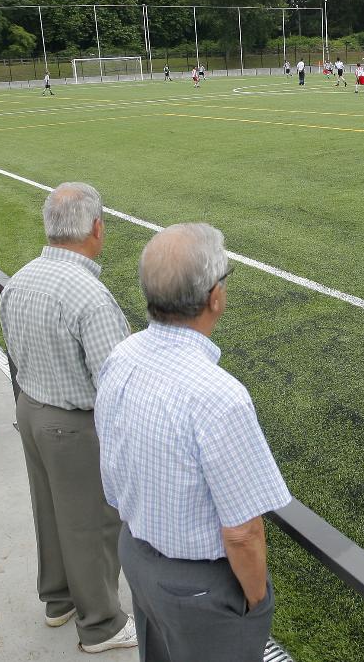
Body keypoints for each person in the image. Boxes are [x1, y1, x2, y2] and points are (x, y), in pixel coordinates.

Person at [94, 223, 291, 662]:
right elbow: (243, 531)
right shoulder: (218, 395)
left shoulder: (123, 355)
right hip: (196, 587)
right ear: (213, 297)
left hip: (138, 553)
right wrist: (256, 603)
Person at [0, 183, 138, 655]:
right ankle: (101, 623)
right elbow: (115, 383)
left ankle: (58, 600)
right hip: (73, 426)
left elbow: (14, 353)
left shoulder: (22, 277)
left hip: (32, 409)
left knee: (50, 512)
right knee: (92, 525)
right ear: (96, 228)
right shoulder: (90, 297)